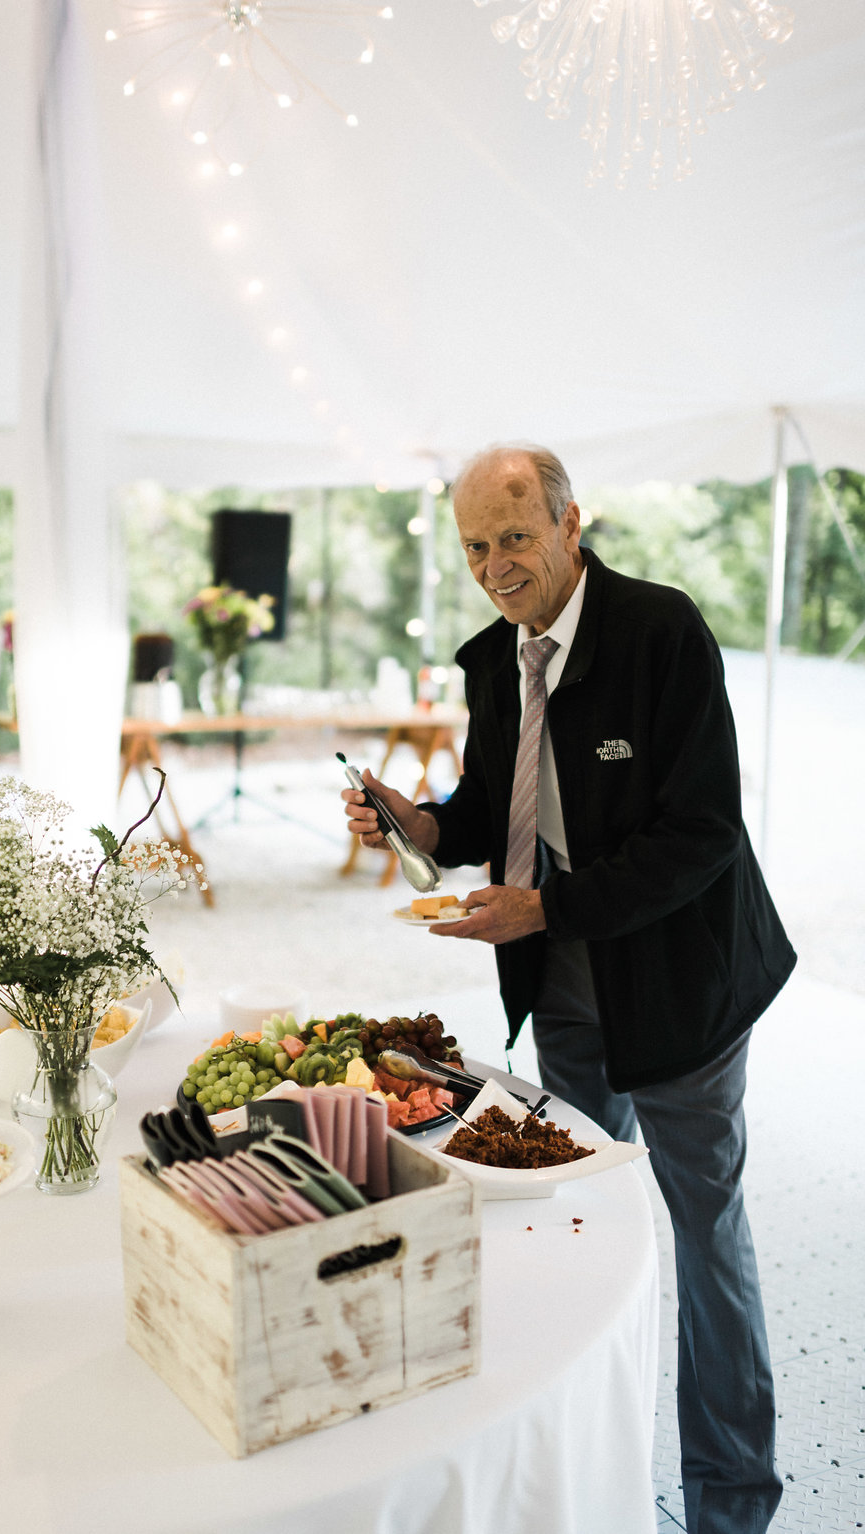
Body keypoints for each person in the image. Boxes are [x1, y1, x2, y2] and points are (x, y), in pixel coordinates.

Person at [343, 443, 794, 1534]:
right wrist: (421, 823)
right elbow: (491, 799)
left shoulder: (661, 632)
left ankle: (731, 1502)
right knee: (578, 1216)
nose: (496, 565)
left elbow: (703, 834)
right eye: (474, 547)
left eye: (513, 537)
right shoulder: (497, 657)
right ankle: (587, 1472)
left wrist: (545, 906)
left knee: (704, 1228)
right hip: (566, 982)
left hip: (683, 985)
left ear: (568, 524)